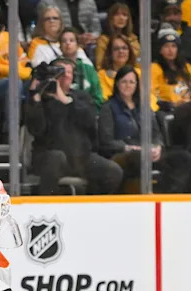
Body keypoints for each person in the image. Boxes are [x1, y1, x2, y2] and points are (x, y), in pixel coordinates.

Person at [25, 58, 122, 195]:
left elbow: (89, 121)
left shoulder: (82, 97)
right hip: (49, 156)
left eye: (69, 72)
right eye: (61, 72)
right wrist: (36, 98)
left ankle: (93, 206)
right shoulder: (41, 100)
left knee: (113, 171)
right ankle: (47, 208)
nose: (65, 75)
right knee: (56, 158)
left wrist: (64, 99)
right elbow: (36, 129)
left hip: (80, 157)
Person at [98, 65, 191, 193]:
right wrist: (130, 148)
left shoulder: (144, 107)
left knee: (183, 157)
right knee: (140, 158)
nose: (128, 85)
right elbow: (106, 141)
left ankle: (168, 198)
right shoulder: (108, 108)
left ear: (137, 85)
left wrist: (157, 147)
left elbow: (156, 134)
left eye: (132, 82)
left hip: (148, 151)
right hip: (123, 153)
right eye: (124, 82)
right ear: (117, 84)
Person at [98, 35, 157, 110]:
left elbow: (149, 97)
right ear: (110, 53)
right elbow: (106, 98)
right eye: (116, 49)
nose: (121, 51)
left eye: (124, 48)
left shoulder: (139, 73)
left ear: (129, 51)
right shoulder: (102, 75)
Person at [151, 28, 191, 109]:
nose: (170, 50)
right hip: (167, 110)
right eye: (166, 46)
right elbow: (151, 96)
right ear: (160, 50)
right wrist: (172, 105)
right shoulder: (154, 68)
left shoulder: (187, 68)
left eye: (174, 46)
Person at [158, 0, 191, 69]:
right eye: (168, 14)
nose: (172, 18)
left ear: (181, 15)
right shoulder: (155, 36)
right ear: (161, 17)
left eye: (176, 14)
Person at [59, 27, 102, 107]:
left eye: (71, 40)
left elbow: (97, 97)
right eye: (64, 41)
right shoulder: (55, 68)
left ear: (78, 45)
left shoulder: (88, 68)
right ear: (60, 47)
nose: (68, 43)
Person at [95, 3, 139, 69]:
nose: (121, 18)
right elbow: (99, 65)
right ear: (111, 18)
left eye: (124, 15)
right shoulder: (103, 40)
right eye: (117, 14)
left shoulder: (133, 39)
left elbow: (139, 63)